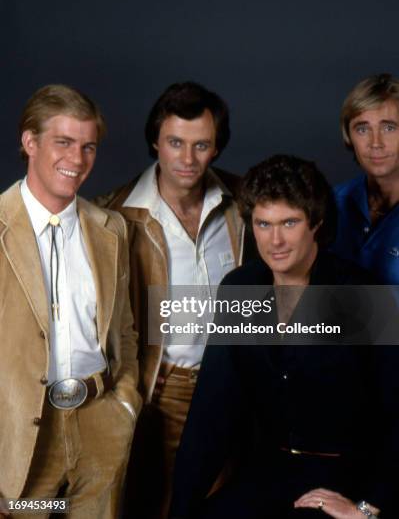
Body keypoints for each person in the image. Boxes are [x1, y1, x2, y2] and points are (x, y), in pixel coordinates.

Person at [169, 155, 399, 519]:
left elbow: (396, 415)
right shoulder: (239, 289)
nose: (274, 240)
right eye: (263, 223)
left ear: (316, 224)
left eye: (289, 222)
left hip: (346, 480)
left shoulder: (362, 293)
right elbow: (211, 414)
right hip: (266, 472)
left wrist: (367, 507)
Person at [98, 81, 253, 518]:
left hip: (234, 385)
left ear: (217, 147)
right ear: (155, 142)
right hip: (163, 390)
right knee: (157, 504)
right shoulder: (114, 216)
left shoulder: (245, 203)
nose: (187, 159)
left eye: (201, 145)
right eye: (175, 143)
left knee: (224, 505)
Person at [0, 85, 141, 519]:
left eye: (88, 146)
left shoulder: (111, 228)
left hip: (101, 419)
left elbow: (125, 330)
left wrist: (125, 405)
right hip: (22, 433)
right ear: (30, 142)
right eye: (63, 142)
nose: (77, 161)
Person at [332, 72, 399, 283]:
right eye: (362, 129)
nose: (375, 143)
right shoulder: (332, 203)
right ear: (349, 136)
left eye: (389, 127)